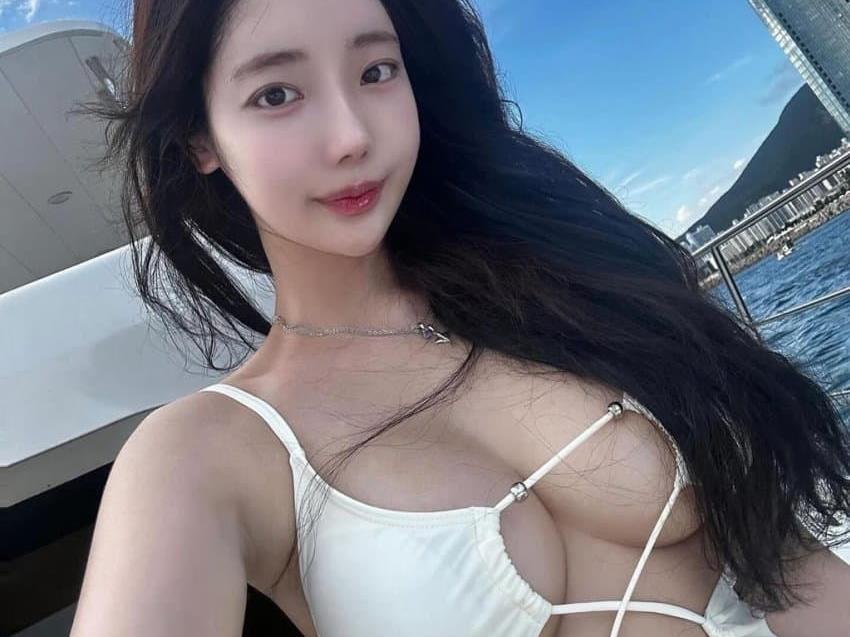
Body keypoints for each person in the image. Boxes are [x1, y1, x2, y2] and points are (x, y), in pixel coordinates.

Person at [70, 0, 850, 635]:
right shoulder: (210, 453)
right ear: (200, 136)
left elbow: (786, 560)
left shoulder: (559, 277)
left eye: (376, 70)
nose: (351, 136)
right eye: (277, 94)